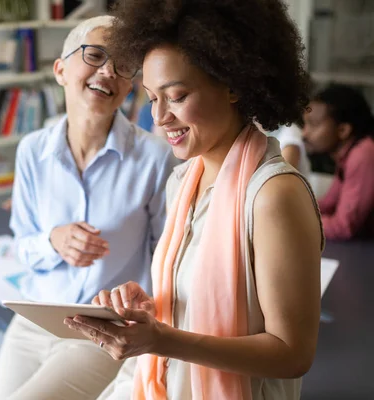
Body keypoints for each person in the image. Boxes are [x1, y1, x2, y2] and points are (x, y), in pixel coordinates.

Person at [64, 1, 323, 399]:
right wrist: (150, 309)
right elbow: (200, 309)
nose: (160, 117)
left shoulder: (273, 194)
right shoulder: (185, 181)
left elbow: (292, 354)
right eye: (152, 98)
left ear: (234, 84)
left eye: (177, 96)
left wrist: (161, 340)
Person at [0, 15, 177, 400]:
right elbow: (23, 245)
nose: (108, 71)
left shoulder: (156, 158)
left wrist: (137, 300)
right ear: (60, 70)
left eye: (123, 64)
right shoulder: (32, 150)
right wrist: (53, 241)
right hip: (34, 318)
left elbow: (168, 260)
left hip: (100, 329)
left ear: (129, 86)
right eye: (95, 55)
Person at [302, 84, 374, 240]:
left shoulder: (363, 154)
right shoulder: (346, 155)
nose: (305, 133)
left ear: (343, 130)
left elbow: (344, 226)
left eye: (313, 125)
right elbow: (329, 203)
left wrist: (294, 222)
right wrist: (295, 209)